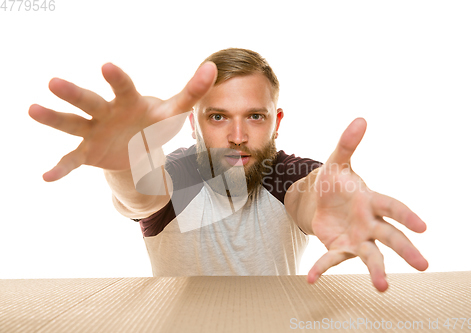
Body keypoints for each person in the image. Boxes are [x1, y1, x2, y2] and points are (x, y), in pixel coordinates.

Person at [29, 48, 428, 292]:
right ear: (193, 123)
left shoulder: (286, 173)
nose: (238, 135)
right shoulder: (178, 174)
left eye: (255, 116)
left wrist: (336, 200)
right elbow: (142, 193)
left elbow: (310, 196)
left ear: (277, 121)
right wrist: (126, 160)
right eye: (218, 116)